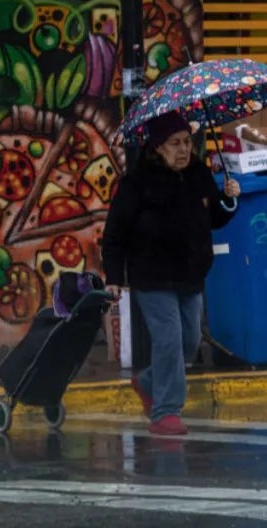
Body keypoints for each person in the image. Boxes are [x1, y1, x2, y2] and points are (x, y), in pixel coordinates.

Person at [102, 112, 241, 436]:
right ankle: (166, 412)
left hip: (190, 274)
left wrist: (229, 200)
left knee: (188, 341)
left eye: (187, 143)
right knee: (168, 339)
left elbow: (216, 219)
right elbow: (114, 234)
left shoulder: (198, 175)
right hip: (151, 276)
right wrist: (113, 276)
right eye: (174, 144)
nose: (183, 150)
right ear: (156, 148)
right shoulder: (136, 184)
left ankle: (148, 381)